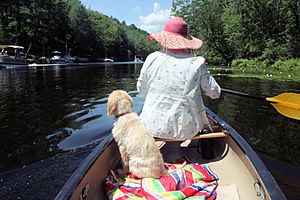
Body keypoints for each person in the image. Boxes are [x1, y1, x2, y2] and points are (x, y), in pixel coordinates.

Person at [137, 16, 221, 140]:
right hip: (187, 131)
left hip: (151, 126)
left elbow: (141, 90)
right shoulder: (197, 63)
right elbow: (215, 93)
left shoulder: (152, 58)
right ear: (186, 41)